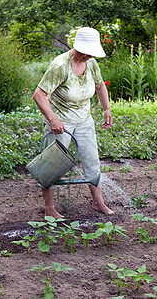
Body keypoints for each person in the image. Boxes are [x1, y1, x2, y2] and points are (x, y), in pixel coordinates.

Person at [33, 27, 114, 218]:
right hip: (62, 122)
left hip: (84, 120)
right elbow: (39, 95)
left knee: (92, 161)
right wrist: (53, 119)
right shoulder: (60, 66)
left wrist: (107, 109)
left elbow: (100, 85)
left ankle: (98, 202)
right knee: (52, 165)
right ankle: (50, 209)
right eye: (86, 52)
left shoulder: (92, 64)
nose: (89, 56)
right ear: (77, 47)